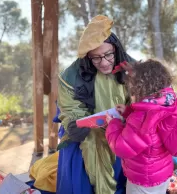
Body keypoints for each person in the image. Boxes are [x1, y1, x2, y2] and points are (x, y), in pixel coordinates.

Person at [105, 59, 177, 194]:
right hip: (161, 173)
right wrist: (127, 112)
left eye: (132, 90)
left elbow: (121, 147)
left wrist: (113, 124)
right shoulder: (165, 104)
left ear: (139, 90)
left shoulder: (142, 118)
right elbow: (149, 128)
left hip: (143, 179)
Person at [56, 15, 134, 194]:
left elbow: (144, 99)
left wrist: (130, 116)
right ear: (87, 57)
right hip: (90, 127)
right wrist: (76, 123)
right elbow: (70, 109)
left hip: (127, 122)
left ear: (116, 49)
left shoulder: (133, 67)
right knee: (93, 144)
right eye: (96, 58)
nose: (104, 62)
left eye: (108, 55)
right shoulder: (69, 76)